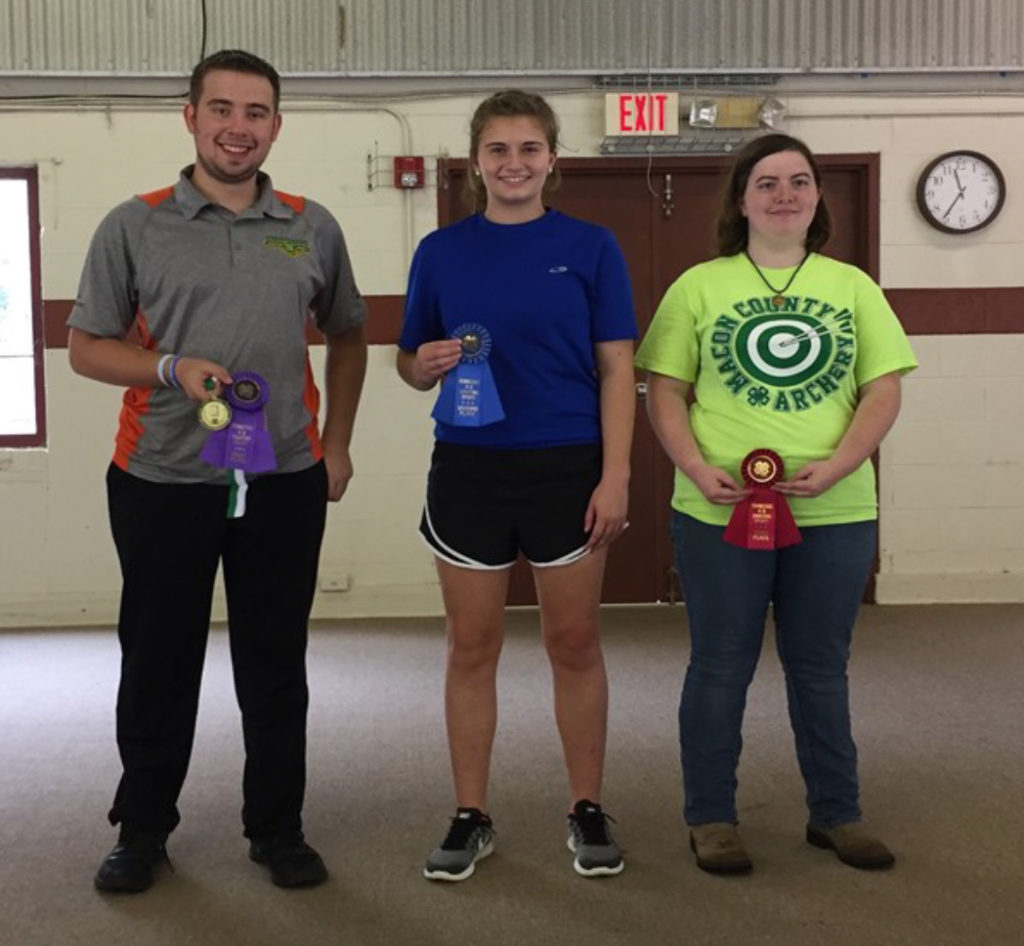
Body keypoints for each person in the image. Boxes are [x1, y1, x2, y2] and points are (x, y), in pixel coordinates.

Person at [67, 49, 367, 892]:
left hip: (284, 478)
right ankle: (143, 830)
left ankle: (277, 829)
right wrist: (168, 369)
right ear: (190, 117)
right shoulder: (136, 223)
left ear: (277, 124)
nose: (240, 127)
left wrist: (336, 443)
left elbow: (348, 335)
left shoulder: (311, 223)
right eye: (223, 109)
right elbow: (86, 348)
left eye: (257, 112)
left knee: (275, 661)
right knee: (158, 658)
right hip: (161, 478)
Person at [635, 133, 916, 875]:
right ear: (741, 200)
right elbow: (664, 388)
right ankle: (711, 818)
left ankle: (837, 814)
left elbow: (883, 388)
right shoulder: (699, 286)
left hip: (836, 508)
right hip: (717, 507)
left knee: (821, 667)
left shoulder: (854, 287)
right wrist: (693, 466)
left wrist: (839, 464)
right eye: (767, 182)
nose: (784, 194)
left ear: (818, 197)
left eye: (798, 181)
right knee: (720, 665)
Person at [397, 90, 637, 881]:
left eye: (529, 149)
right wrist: (422, 364)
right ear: (477, 162)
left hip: (567, 468)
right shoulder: (440, 251)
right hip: (468, 472)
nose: (513, 164)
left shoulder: (593, 246)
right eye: (498, 150)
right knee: (473, 647)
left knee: (574, 643)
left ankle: (586, 806)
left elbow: (615, 369)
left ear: (553, 160)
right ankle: (471, 813)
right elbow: (407, 363)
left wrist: (616, 475)